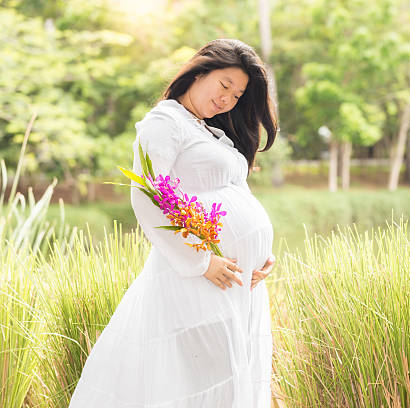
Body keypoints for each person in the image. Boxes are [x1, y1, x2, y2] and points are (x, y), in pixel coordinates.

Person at [69, 39, 278, 407]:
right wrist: (202, 261)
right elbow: (148, 195)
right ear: (199, 72)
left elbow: (235, 193)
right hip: (198, 276)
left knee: (232, 372)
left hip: (237, 281)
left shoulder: (211, 131)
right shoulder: (166, 121)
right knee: (208, 375)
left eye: (238, 94)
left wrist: (263, 254)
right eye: (224, 85)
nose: (228, 99)